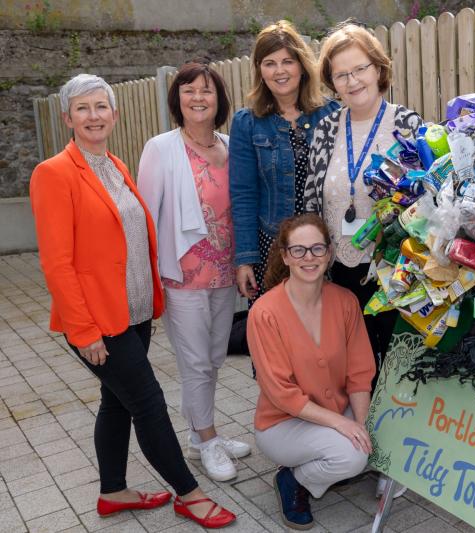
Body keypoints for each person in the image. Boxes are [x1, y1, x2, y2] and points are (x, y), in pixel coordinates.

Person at [29, 73, 235, 528]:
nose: (93, 116)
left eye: (101, 106)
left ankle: (114, 491)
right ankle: (190, 494)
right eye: (82, 108)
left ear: (115, 114)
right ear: (68, 117)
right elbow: (57, 264)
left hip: (135, 314)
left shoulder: (116, 166)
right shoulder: (53, 174)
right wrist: (83, 332)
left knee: (115, 402)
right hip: (98, 322)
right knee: (148, 403)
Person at [137, 59, 251, 483]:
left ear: (218, 98)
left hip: (226, 273)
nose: (198, 97)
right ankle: (207, 438)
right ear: (177, 99)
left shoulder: (229, 146)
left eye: (206, 90)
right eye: (189, 90)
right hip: (182, 277)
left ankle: (197, 432)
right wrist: (149, 278)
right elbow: (147, 218)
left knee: (215, 357)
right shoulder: (161, 148)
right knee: (195, 362)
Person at [303, 22, 423, 375]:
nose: (352, 81)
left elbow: (423, 201)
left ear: (378, 68)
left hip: (392, 270)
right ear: (332, 82)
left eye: (360, 69)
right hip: (337, 270)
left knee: (391, 365)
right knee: (348, 367)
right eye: (341, 75)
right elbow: (312, 198)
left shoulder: (407, 123)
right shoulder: (326, 129)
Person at [247, 213, 376, 530]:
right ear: (285, 255)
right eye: (299, 250)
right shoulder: (265, 313)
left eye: (317, 249)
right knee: (353, 456)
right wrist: (342, 427)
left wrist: (361, 425)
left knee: (369, 440)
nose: (309, 258)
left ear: (329, 253)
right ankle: (294, 480)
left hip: (337, 409)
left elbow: (359, 372)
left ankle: (328, 459)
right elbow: (281, 393)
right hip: (283, 423)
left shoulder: (345, 302)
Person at [230, 20, 339, 304]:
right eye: (269, 63)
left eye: (287, 61)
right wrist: (245, 260)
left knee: (324, 328)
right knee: (277, 331)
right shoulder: (247, 123)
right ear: (259, 70)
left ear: (302, 66)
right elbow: (243, 196)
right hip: (273, 247)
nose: (279, 71)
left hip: (325, 246)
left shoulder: (332, 114)